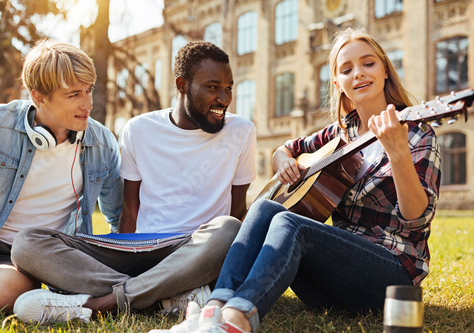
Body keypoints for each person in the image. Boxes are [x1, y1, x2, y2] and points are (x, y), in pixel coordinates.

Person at [155, 27, 441, 333]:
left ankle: (235, 320)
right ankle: (215, 308)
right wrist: (284, 162)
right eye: (346, 69)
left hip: (390, 280)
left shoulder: (415, 132)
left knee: (291, 223)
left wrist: (398, 154)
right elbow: (287, 148)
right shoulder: (341, 133)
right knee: (266, 208)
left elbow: (416, 220)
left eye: (368, 63)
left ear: (385, 69)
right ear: (337, 83)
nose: (358, 73)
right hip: (333, 282)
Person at [11, 41, 257, 324]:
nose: (224, 99)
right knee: (27, 243)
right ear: (182, 85)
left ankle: (99, 304)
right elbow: (130, 211)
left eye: (229, 89)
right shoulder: (139, 129)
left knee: (228, 229)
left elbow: (238, 211)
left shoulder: (242, 131)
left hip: (193, 253)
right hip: (138, 249)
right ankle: (165, 298)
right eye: (213, 88)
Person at [0, 38, 123, 315]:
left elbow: (119, 218)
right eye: (74, 94)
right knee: (3, 292)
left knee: (15, 288)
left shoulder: (102, 143)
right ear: (39, 97)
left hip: (55, 256)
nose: (88, 104)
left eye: (89, 90)